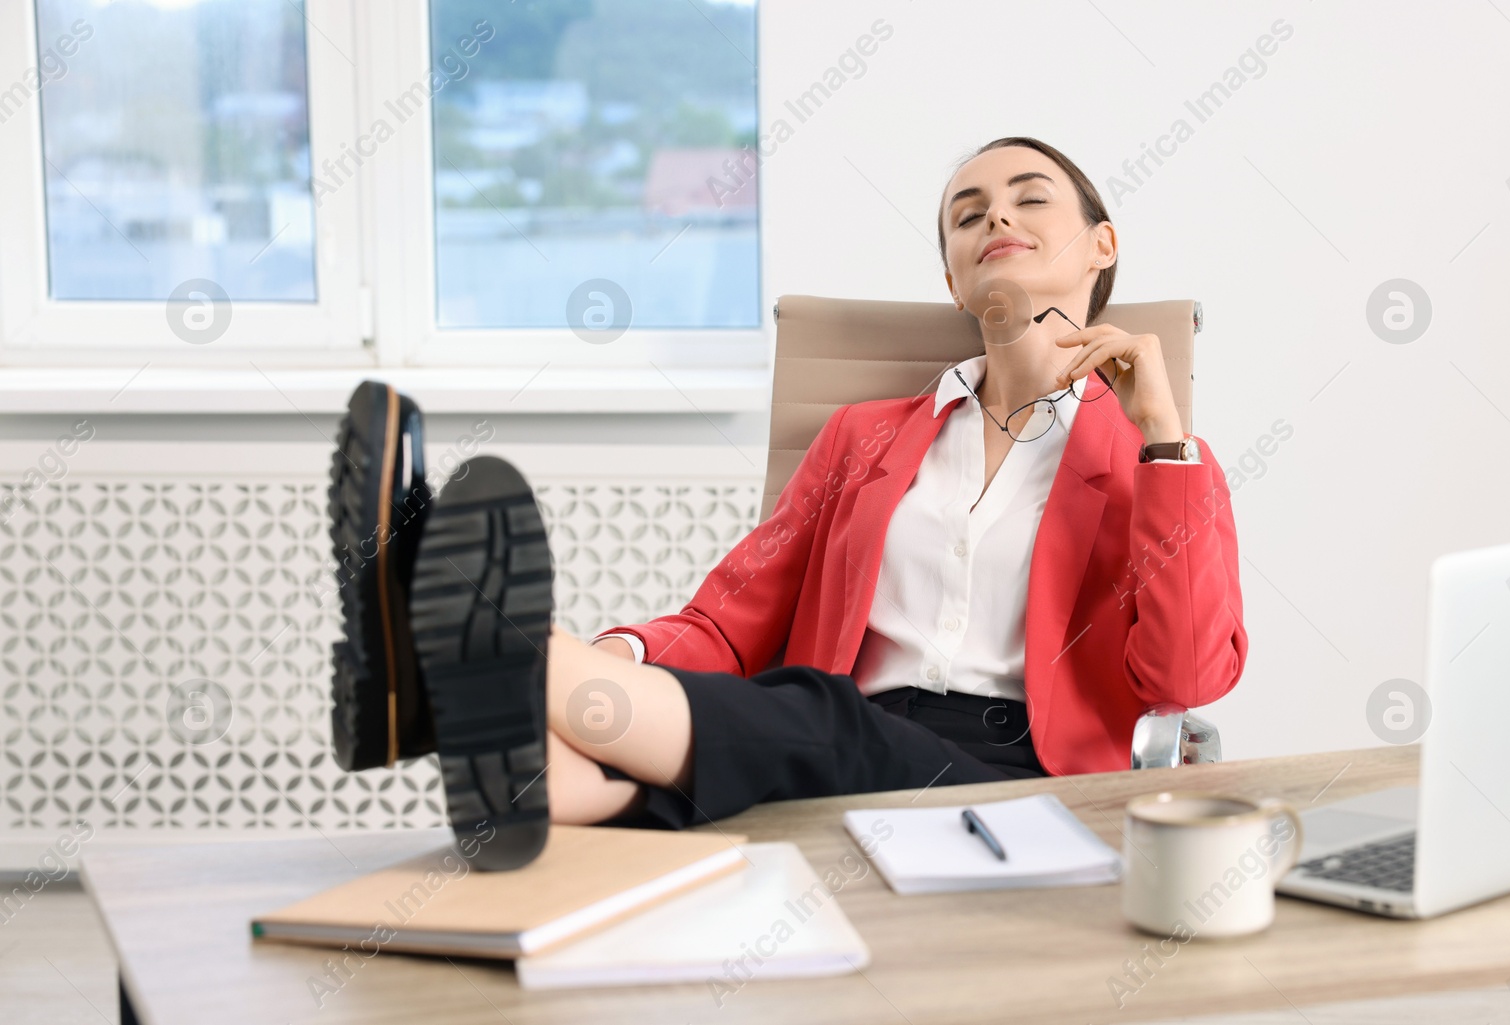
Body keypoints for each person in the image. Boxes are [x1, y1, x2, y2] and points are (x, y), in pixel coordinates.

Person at [328, 135, 1247, 867]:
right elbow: (732, 621)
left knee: (818, 717)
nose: (996, 214)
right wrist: (622, 657)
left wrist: (1165, 436)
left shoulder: (1153, 460)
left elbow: (1184, 680)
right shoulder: (865, 437)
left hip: (1014, 777)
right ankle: (509, 734)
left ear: (1102, 244)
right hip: (823, 738)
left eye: (1029, 197)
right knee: (590, 767)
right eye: (969, 215)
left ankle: (441, 657)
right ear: (954, 281)